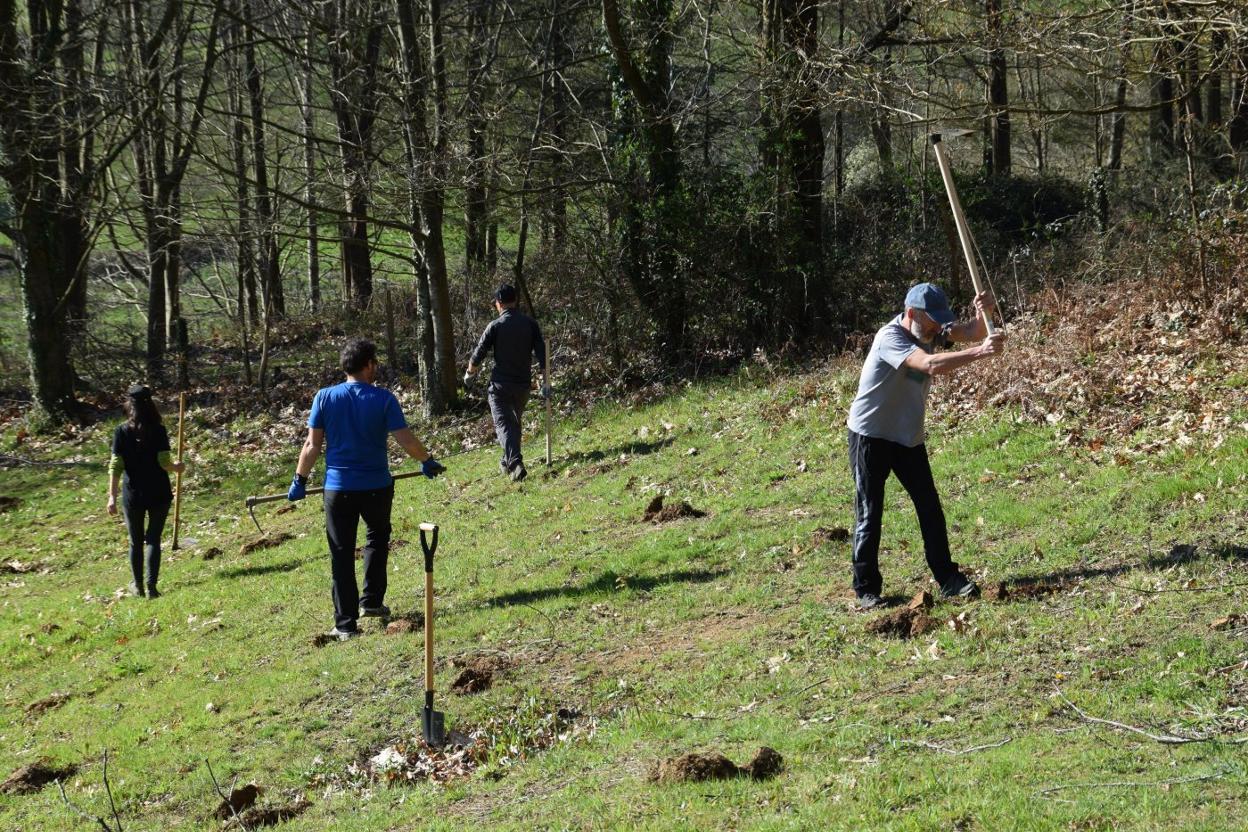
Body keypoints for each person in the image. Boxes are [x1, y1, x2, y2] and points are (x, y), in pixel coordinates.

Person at [846, 282, 1006, 610]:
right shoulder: (890, 338)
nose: (937, 327)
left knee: (929, 507)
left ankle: (948, 578)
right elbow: (929, 365)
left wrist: (984, 312)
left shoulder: (932, 330)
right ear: (911, 313)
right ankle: (866, 589)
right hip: (870, 435)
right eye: (931, 320)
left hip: (907, 436)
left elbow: (973, 332)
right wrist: (981, 352)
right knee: (870, 512)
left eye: (939, 320)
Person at [288, 338, 445, 641]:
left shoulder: (324, 397)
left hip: (338, 490)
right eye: (375, 363)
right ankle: (371, 601)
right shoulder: (383, 399)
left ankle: (346, 625)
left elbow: (311, 445)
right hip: (376, 487)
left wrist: (300, 480)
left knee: (341, 553)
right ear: (369, 365)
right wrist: (426, 460)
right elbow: (405, 438)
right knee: (377, 539)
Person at [463, 284, 549, 482]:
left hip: (500, 387)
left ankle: (516, 463)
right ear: (515, 301)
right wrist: (546, 382)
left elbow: (478, 354)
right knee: (513, 425)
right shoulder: (530, 323)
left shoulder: (495, 326)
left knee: (504, 425)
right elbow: (542, 354)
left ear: (498, 303)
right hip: (523, 386)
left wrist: (469, 374)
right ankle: (506, 461)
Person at [107, 384, 185, 598]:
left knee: (135, 541)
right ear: (151, 404)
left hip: (133, 495)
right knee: (153, 539)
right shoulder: (158, 430)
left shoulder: (121, 432)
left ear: (129, 405)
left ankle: (138, 586)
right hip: (159, 493)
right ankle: (151, 587)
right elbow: (164, 462)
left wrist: (112, 497)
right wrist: (177, 467)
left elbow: (116, 466)